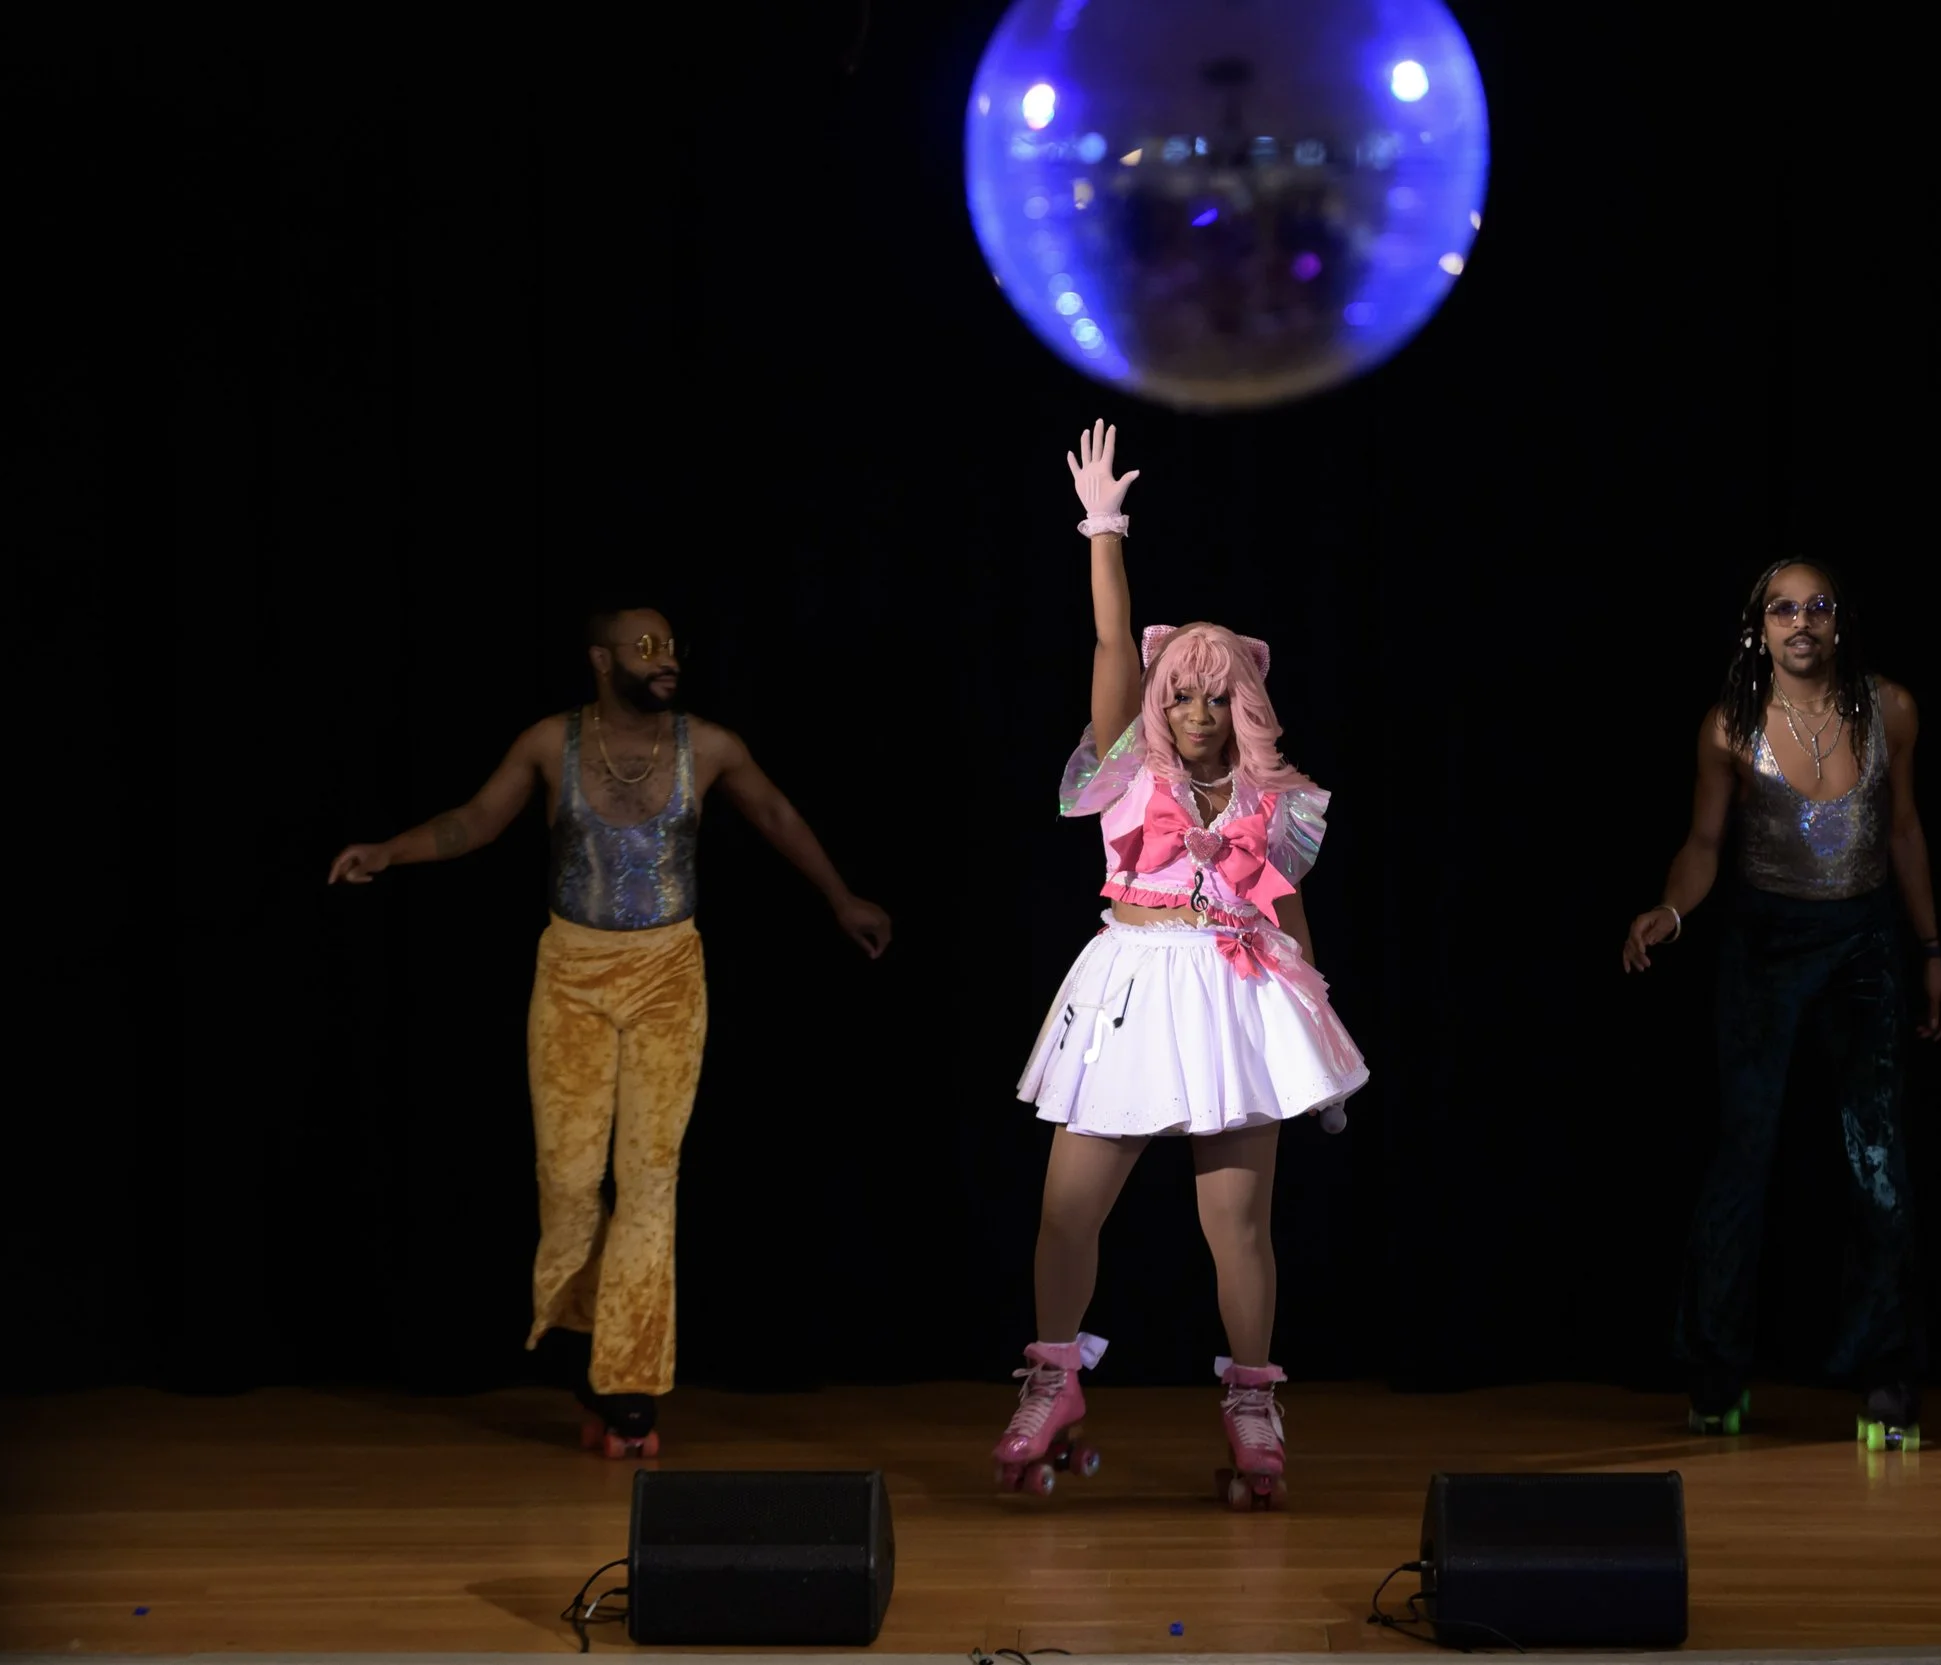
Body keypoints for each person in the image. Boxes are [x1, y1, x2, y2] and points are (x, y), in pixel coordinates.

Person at [327, 606, 891, 1456]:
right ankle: (589, 1343)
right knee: (568, 1173)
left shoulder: (713, 745)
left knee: (648, 1178)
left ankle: (628, 1383)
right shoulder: (549, 743)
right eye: (645, 646)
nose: (665, 660)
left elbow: (776, 818)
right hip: (573, 973)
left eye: (672, 646)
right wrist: (389, 851)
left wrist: (840, 896)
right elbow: (474, 822)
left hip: (668, 972)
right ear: (601, 660)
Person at [993, 421, 1367, 1510]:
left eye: (1216, 696)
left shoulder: (1274, 802)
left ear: (1242, 704)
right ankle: (1052, 1382)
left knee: (1237, 1225)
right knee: (1068, 1211)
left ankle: (1254, 1407)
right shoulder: (1125, 774)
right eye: (1183, 694)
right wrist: (1102, 528)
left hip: (1236, 998)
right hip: (1129, 982)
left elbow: (1288, 913)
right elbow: (1113, 649)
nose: (1197, 712)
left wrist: (1317, 1031)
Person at [1621, 558, 1941, 1451]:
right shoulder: (1730, 726)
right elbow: (1703, 843)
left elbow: (1905, 832)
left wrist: (1930, 951)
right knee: (1744, 1153)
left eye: (1816, 607)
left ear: (1838, 623)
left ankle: (1887, 1376)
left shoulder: (1891, 710)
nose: (1800, 621)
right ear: (1758, 627)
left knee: (1876, 1155)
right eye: (1782, 609)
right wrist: (1669, 909)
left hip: (1864, 943)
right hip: (1765, 943)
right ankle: (1717, 1372)